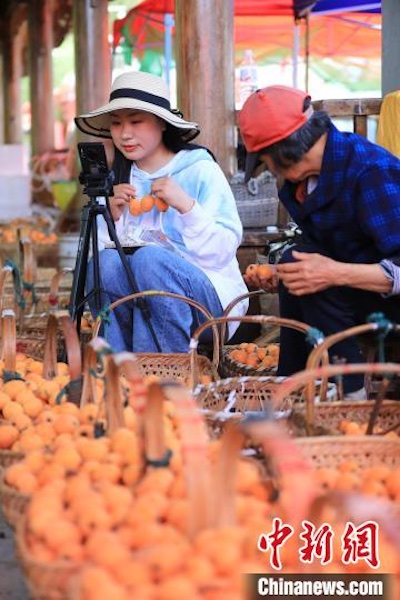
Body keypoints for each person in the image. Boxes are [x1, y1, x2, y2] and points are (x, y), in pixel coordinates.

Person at [239, 84, 400, 399]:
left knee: (312, 274)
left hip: (391, 300)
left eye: (265, 162)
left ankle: (350, 398)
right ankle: (295, 389)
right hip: (364, 293)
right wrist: (284, 274)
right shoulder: (304, 183)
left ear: (284, 153)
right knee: (296, 266)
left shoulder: (370, 172)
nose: (269, 172)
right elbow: (318, 254)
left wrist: (334, 273)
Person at [74, 70, 248, 353]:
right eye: (116, 124)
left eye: (136, 121)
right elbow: (100, 265)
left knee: (150, 259)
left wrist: (186, 206)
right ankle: (116, 371)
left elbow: (222, 252)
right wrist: (111, 217)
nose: (125, 134)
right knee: (104, 263)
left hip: (209, 305)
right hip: (139, 303)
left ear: (162, 123)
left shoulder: (199, 170)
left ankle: (162, 378)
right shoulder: (119, 176)